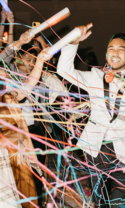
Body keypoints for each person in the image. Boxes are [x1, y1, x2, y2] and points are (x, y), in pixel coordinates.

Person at [57, 23, 125, 207]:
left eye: (121, 49)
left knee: (119, 203)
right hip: (96, 151)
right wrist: (73, 42)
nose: (115, 52)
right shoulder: (93, 76)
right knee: (100, 203)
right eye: (111, 49)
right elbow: (63, 70)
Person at [0, 28, 66, 207]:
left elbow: (28, 86)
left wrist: (40, 62)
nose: (5, 72)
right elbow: (5, 58)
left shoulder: (9, 98)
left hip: (10, 157)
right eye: (2, 71)